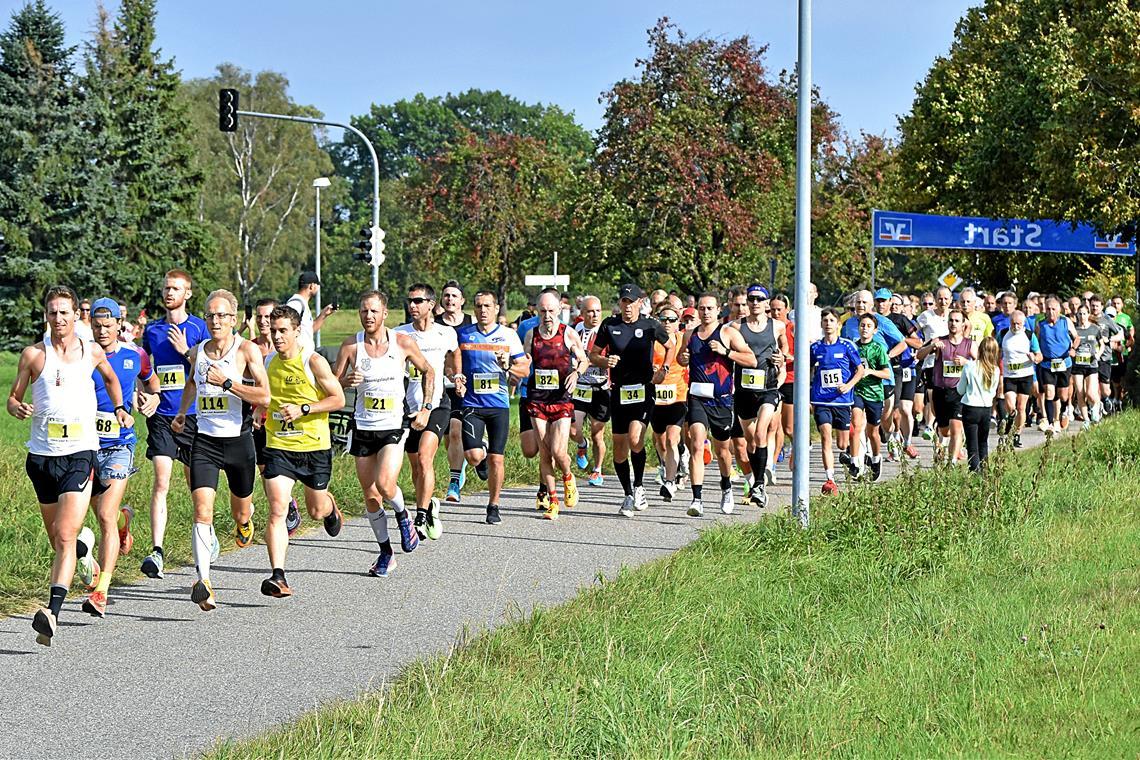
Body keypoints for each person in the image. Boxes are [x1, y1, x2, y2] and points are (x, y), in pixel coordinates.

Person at [7, 285, 133, 646]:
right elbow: (13, 398)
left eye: (65, 312)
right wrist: (16, 408)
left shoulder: (91, 351)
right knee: (59, 539)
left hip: (80, 453)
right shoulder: (34, 355)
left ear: (77, 315)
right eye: (52, 312)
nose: (58, 319)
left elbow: (110, 380)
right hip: (42, 459)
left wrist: (121, 407)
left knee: (64, 535)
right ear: (46, 316)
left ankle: (52, 613)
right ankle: (85, 553)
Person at [173, 290, 270, 610]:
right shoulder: (198, 351)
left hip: (239, 441)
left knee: (241, 511)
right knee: (201, 512)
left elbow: (264, 397)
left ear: (233, 319)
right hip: (206, 441)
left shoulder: (246, 351)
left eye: (222, 315)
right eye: (210, 315)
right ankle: (204, 581)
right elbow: (191, 383)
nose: (215, 321)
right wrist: (183, 412)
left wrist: (228, 383)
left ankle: (245, 522)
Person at [334, 291, 434, 577]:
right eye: (364, 311)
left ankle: (404, 517)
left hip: (393, 425)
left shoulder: (402, 343)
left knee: (385, 484)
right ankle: (386, 553)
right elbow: (333, 384)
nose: (368, 316)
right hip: (363, 427)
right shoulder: (351, 346)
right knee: (370, 494)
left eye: (374, 311)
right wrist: (345, 381)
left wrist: (426, 408)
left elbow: (429, 371)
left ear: (385, 314)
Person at [259, 305, 346, 597]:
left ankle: (330, 507)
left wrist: (303, 408)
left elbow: (338, 399)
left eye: (283, 331)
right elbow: (263, 398)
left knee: (315, 509)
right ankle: (278, 576)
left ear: (297, 332)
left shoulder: (313, 361)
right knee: (277, 510)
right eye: (273, 331)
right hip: (279, 446)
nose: (278, 336)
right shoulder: (268, 361)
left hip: (313, 447)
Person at [83, 298, 160, 617]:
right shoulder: (80, 355)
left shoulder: (135, 355)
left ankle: (101, 590)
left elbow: (153, 383)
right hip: (83, 445)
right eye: (97, 326)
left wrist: (152, 399)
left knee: (103, 516)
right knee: (94, 513)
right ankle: (123, 524)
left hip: (119, 445)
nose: (102, 331)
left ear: (119, 324)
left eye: (108, 325)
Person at [139, 270, 209, 580]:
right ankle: (157, 551)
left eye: (176, 288)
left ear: (188, 294)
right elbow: (143, 374)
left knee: (197, 488)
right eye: (166, 288)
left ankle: (203, 545)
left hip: (193, 416)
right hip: (163, 416)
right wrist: (145, 398)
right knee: (161, 481)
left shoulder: (198, 328)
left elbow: (210, 369)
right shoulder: (152, 330)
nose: (170, 293)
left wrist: (185, 352)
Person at [591, 284, 675, 517]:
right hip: (619, 392)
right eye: (624, 302)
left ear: (640, 302)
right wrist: (604, 361)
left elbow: (670, 346)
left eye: (631, 302)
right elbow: (593, 354)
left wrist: (664, 369)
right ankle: (628, 493)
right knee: (619, 449)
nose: (627, 306)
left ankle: (639, 487)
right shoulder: (610, 325)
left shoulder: (650, 325)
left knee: (636, 438)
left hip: (643, 390)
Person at [678, 293, 756, 517]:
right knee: (696, 443)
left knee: (722, 451)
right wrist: (682, 359)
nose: (705, 312)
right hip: (697, 397)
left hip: (721, 400)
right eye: (701, 309)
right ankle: (697, 499)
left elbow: (750, 359)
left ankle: (726, 487)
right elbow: (682, 358)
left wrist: (726, 352)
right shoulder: (690, 334)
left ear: (718, 309)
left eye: (710, 308)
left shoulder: (728, 333)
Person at [456, 291, 530, 524]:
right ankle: (481, 453)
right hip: (472, 403)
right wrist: (456, 376)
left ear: (497, 309)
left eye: (487, 306)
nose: (483, 310)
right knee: (474, 456)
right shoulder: (463, 334)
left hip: (498, 404)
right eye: (478, 306)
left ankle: (493, 505)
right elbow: (452, 362)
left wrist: (507, 366)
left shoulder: (509, 335)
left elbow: (524, 370)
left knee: (498, 459)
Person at [395, 283, 460, 541]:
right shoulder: (399, 334)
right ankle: (429, 502)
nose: (413, 306)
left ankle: (420, 518)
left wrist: (457, 375)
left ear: (431, 304)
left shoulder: (445, 334)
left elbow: (456, 354)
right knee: (415, 468)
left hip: (437, 404)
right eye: (410, 301)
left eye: (418, 301)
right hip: (407, 407)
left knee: (424, 459)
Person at [523, 291, 590, 520]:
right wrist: (514, 368)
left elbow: (584, 359)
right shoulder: (531, 335)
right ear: (538, 312)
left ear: (559, 310)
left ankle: (568, 477)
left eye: (551, 311)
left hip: (561, 399)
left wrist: (576, 373)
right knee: (544, 451)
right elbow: (525, 362)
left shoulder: (568, 334)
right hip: (538, 399)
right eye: (543, 311)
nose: (547, 316)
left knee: (559, 451)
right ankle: (553, 500)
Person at [732, 285, 786, 507]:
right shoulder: (735, 327)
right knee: (751, 441)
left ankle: (760, 485)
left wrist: (781, 358)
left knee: (762, 432)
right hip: (744, 391)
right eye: (751, 299)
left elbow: (785, 350)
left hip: (768, 388)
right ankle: (756, 482)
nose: (754, 303)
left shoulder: (778, 326)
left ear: (767, 303)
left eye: (759, 299)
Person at [809, 308, 864, 495]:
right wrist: (808, 395)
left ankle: (848, 455)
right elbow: (807, 370)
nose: (828, 323)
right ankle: (830, 479)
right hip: (821, 400)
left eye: (832, 320)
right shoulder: (815, 348)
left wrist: (848, 386)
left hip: (842, 401)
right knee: (825, 437)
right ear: (821, 324)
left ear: (838, 325)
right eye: (825, 320)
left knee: (841, 444)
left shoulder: (847, 346)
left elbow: (860, 370)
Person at [915, 309, 976, 463]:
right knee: (944, 430)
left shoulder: (970, 344)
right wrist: (932, 347)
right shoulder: (940, 341)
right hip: (940, 391)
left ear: (963, 324)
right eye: (951, 320)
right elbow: (919, 355)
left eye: (957, 321)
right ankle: (942, 442)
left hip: (960, 392)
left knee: (956, 427)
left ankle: (952, 462)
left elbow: (982, 365)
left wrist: (966, 362)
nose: (953, 323)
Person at [438, 281, 474, 503]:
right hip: (442, 385)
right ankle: (458, 466)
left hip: (467, 386)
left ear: (462, 301)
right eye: (447, 295)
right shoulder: (435, 325)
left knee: (455, 431)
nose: (450, 299)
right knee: (447, 436)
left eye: (454, 296)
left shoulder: (472, 324)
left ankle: (453, 482)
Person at [650, 303, 688, 501]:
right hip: (656, 397)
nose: (667, 323)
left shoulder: (683, 340)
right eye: (663, 319)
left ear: (678, 322)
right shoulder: (653, 340)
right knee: (660, 440)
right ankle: (669, 466)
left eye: (671, 320)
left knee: (673, 439)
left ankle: (670, 482)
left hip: (678, 395)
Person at [571, 296, 610, 487]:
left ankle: (597, 470)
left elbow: (611, 359)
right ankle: (581, 445)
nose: (594, 315)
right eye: (590, 311)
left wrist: (595, 360)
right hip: (580, 387)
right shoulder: (576, 330)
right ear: (582, 313)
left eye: (597, 311)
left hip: (600, 388)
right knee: (573, 429)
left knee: (597, 434)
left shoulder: (607, 332)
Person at [851, 314, 892, 481]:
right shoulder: (853, 347)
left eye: (868, 326)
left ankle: (875, 458)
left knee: (872, 432)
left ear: (875, 330)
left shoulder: (878, 348)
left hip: (874, 393)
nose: (864, 328)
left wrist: (870, 372)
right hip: (857, 391)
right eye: (862, 325)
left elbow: (886, 373)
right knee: (856, 424)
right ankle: (855, 463)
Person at [1034, 296, 1078, 434]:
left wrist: (1073, 349)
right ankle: (1052, 423)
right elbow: (1036, 341)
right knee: (1049, 392)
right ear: (1044, 310)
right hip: (1047, 363)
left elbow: (1076, 338)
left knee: (1063, 395)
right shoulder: (1040, 324)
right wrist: (1037, 353)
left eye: (1054, 309)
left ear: (1059, 309)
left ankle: (1064, 411)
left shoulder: (1066, 322)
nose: (1051, 312)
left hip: (1064, 362)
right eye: (1048, 309)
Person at [998, 311, 1042, 447]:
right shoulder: (1003, 333)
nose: (1016, 326)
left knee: (1021, 407)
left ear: (1023, 323)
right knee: (1010, 405)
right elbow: (997, 351)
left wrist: (1034, 358)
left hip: (1025, 375)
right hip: (1009, 375)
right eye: (1013, 323)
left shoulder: (1029, 335)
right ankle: (1011, 416)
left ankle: (1017, 434)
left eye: (1018, 324)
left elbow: (1039, 355)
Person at [959, 336, 1001, 472]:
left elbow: (960, 389)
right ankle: (985, 472)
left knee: (972, 445)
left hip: (971, 407)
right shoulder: (995, 370)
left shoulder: (970, 366)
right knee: (983, 442)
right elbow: (993, 393)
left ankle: (974, 472)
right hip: (986, 409)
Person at [916, 287, 953, 439]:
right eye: (940, 298)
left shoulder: (955, 316)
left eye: (946, 298)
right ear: (935, 299)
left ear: (951, 299)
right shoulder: (926, 316)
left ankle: (950, 435)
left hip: (951, 365)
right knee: (934, 399)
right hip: (931, 364)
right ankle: (932, 428)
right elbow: (911, 333)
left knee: (949, 402)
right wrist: (925, 345)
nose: (943, 302)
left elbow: (966, 330)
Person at [1089, 295, 1123, 419]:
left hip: (1104, 357)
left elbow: (1120, 334)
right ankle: (1094, 409)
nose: (1094, 308)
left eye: (1097, 306)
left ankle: (1105, 400)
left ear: (1102, 307)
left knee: (1105, 389)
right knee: (1091, 386)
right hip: (1090, 358)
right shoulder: (1086, 318)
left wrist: (1109, 339)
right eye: (1092, 305)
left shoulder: (1107, 319)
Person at [285, 271, 335, 352]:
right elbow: (287, 327)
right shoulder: (296, 304)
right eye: (318, 286)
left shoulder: (302, 303)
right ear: (312, 286)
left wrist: (324, 314)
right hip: (298, 356)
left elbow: (309, 330)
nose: (318, 289)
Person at [1070, 304, 1102, 426]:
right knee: (1079, 392)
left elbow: (1102, 344)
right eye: (1080, 314)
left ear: (1088, 315)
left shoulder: (1095, 329)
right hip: (1077, 365)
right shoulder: (1074, 330)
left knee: (1090, 393)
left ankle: (1096, 406)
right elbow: (1070, 345)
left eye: (1084, 313)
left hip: (1091, 364)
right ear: (1077, 315)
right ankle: (1086, 420)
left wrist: (1098, 353)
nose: (1082, 316)